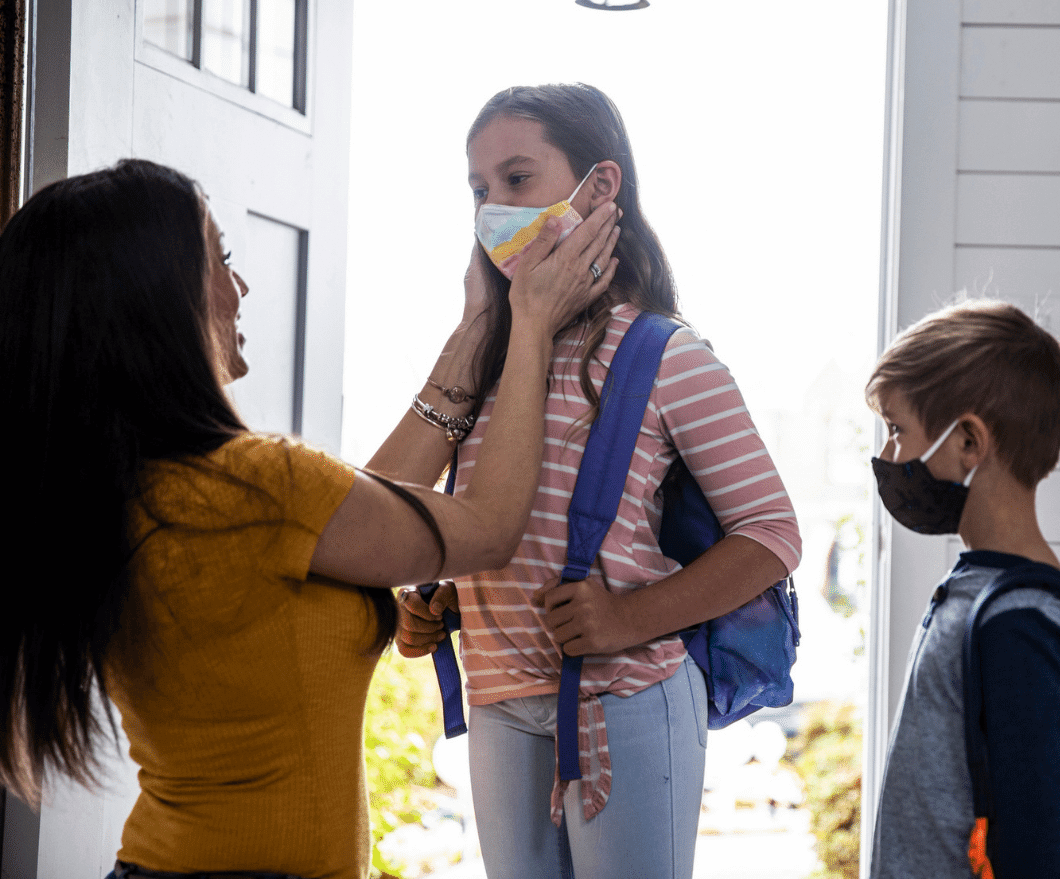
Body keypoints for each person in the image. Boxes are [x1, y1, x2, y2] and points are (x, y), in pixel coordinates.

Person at [0, 158, 618, 879]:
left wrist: (480, 325)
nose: (241, 286)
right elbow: (486, 528)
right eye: (220, 259)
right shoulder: (255, 488)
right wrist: (533, 325)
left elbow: (366, 511)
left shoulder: (141, 489)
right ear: (153, 300)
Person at [381, 84, 803, 879]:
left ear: (599, 189)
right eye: (478, 190)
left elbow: (773, 534)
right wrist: (447, 597)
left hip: (627, 697)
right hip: (500, 695)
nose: (491, 209)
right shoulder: (486, 362)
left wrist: (627, 615)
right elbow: (486, 519)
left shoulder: (665, 356)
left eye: (517, 180)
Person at [865, 299, 1060, 879]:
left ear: (969, 441)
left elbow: (1031, 847)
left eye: (896, 429)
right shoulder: (979, 589)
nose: (888, 455)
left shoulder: (1022, 623)